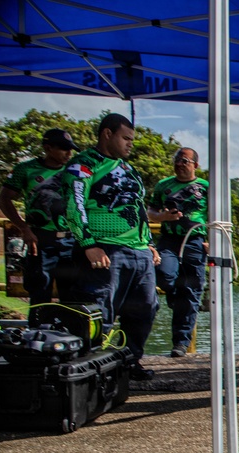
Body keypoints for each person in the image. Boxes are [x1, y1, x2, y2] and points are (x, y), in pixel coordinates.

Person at [61, 113, 160, 381]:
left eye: (132, 139)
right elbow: (74, 204)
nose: (130, 144)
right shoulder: (84, 164)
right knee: (101, 310)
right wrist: (88, 244)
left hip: (138, 252)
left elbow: (137, 208)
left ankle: (130, 361)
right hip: (105, 250)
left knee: (146, 307)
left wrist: (149, 244)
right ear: (107, 134)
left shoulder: (130, 169)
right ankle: (94, 368)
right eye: (125, 138)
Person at [0, 128, 80, 325]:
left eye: (70, 149)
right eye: (63, 149)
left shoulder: (74, 170)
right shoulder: (25, 169)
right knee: (39, 290)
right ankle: (37, 335)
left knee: (71, 294)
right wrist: (23, 228)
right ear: (47, 148)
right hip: (40, 239)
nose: (68, 154)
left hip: (71, 239)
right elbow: (5, 199)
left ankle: (70, 337)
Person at [147, 147, 209, 357]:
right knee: (164, 275)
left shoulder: (206, 187)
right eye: (177, 160)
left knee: (191, 293)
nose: (180, 164)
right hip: (169, 239)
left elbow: (216, 215)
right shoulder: (164, 185)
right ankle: (172, 294)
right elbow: (151, 211)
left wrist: (211, 240)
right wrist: (163, 217)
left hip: (195, 241)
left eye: (184, 160)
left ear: (195, 165)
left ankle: (181, 343)